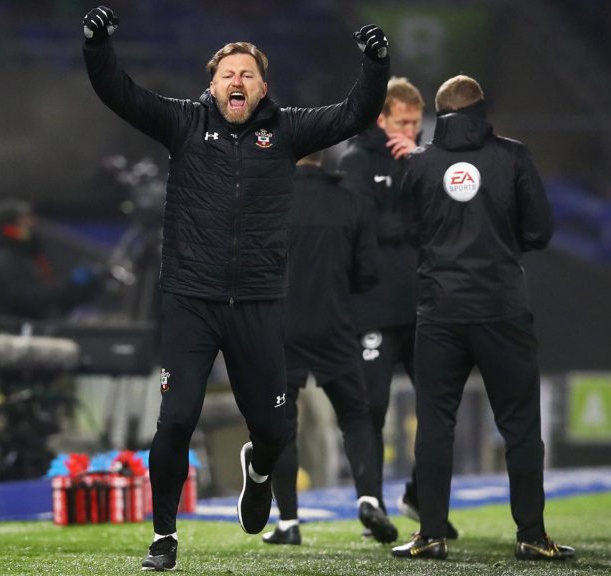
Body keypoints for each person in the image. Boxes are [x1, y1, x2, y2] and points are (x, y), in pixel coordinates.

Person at [80, 5, 389, 570]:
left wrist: (375, 64)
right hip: (191, 300)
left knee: (273, 428)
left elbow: (356, 112)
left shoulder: (288, 129)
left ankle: (260, 469)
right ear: (213, 85)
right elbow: (118, 92)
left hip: (257, 302)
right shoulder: (182, 123)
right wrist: (97, 46)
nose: (238, 81)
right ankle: (164, 536)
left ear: (263, 86)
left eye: (247, 74)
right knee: (174, 420)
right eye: (228, 74)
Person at [390, 75, 574, 561]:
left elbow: (406, 230)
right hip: (501, 309)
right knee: (518, 426)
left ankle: (430, 535)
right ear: (482, 110)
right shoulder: (512, 156)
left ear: (438, 112)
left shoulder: (420, 163)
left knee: (434, 425)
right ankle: (532, 536)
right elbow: (540, 230)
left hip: (440, 311)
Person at [338, 77, 459, 537]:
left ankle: (418, 494)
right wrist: (412, 218)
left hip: (424, 307)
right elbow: (363, 229)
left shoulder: (426, 163)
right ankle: (373, 505)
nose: (410, 130)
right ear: (380, 119)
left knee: (436, 406)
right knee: (372, 408)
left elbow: (443, 222)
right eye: (401, 122)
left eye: (415, 122)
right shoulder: (356, 161)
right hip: (371, 308)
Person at [261, 151, 396, 546]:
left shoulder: (270, 198)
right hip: (335, 327)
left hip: (281, 329)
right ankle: (369, 498)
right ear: (323, 158)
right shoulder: (350, 200)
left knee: (281, 425)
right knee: (356, 416)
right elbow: (370, 272)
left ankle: (288, 521)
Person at [0, 198, 98, 322]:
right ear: (8, 227)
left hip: (40, 329)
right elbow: (27, 300)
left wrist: (81, 290)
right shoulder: (2, 262)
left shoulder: (31, 258)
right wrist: (69, 286)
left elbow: (55, 304)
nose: (32, 224)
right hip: (15, 334)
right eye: (24, 221)